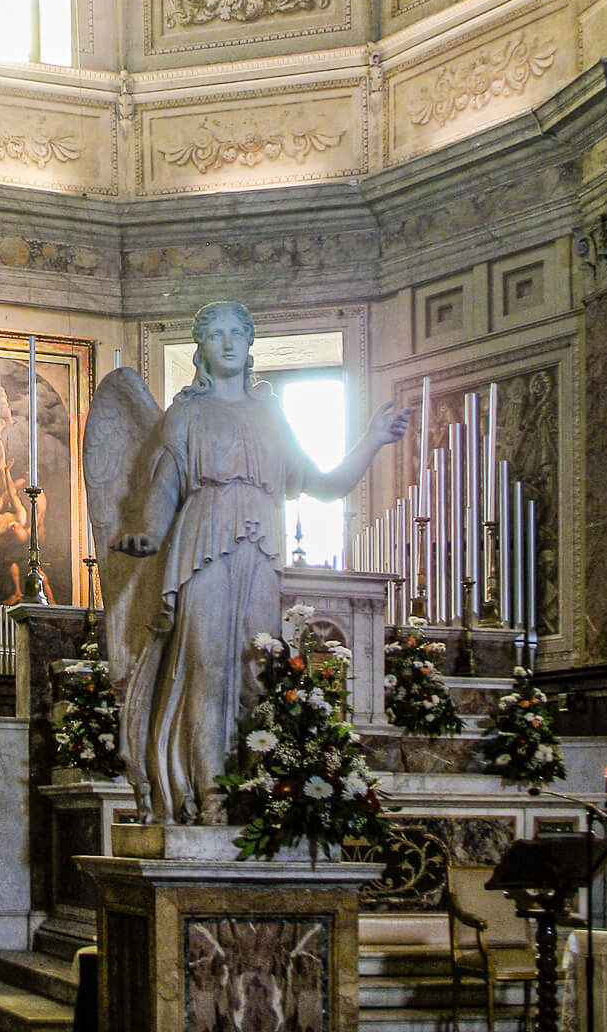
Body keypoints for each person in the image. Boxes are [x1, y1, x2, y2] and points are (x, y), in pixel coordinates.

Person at [104, 299, 407, 824]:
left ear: (248, 346)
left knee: (255, 673)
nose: (226, 342)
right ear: (200, 348)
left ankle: (254, 794)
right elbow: (165, 486)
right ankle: (210, 795)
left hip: (261, 549)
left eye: (235, 334)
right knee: (207, 668)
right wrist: (146, 534)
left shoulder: (272, 414)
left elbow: (326, 484)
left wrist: (373, 440)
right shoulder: (186, 414)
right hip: (202, 544)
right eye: (215, 333)